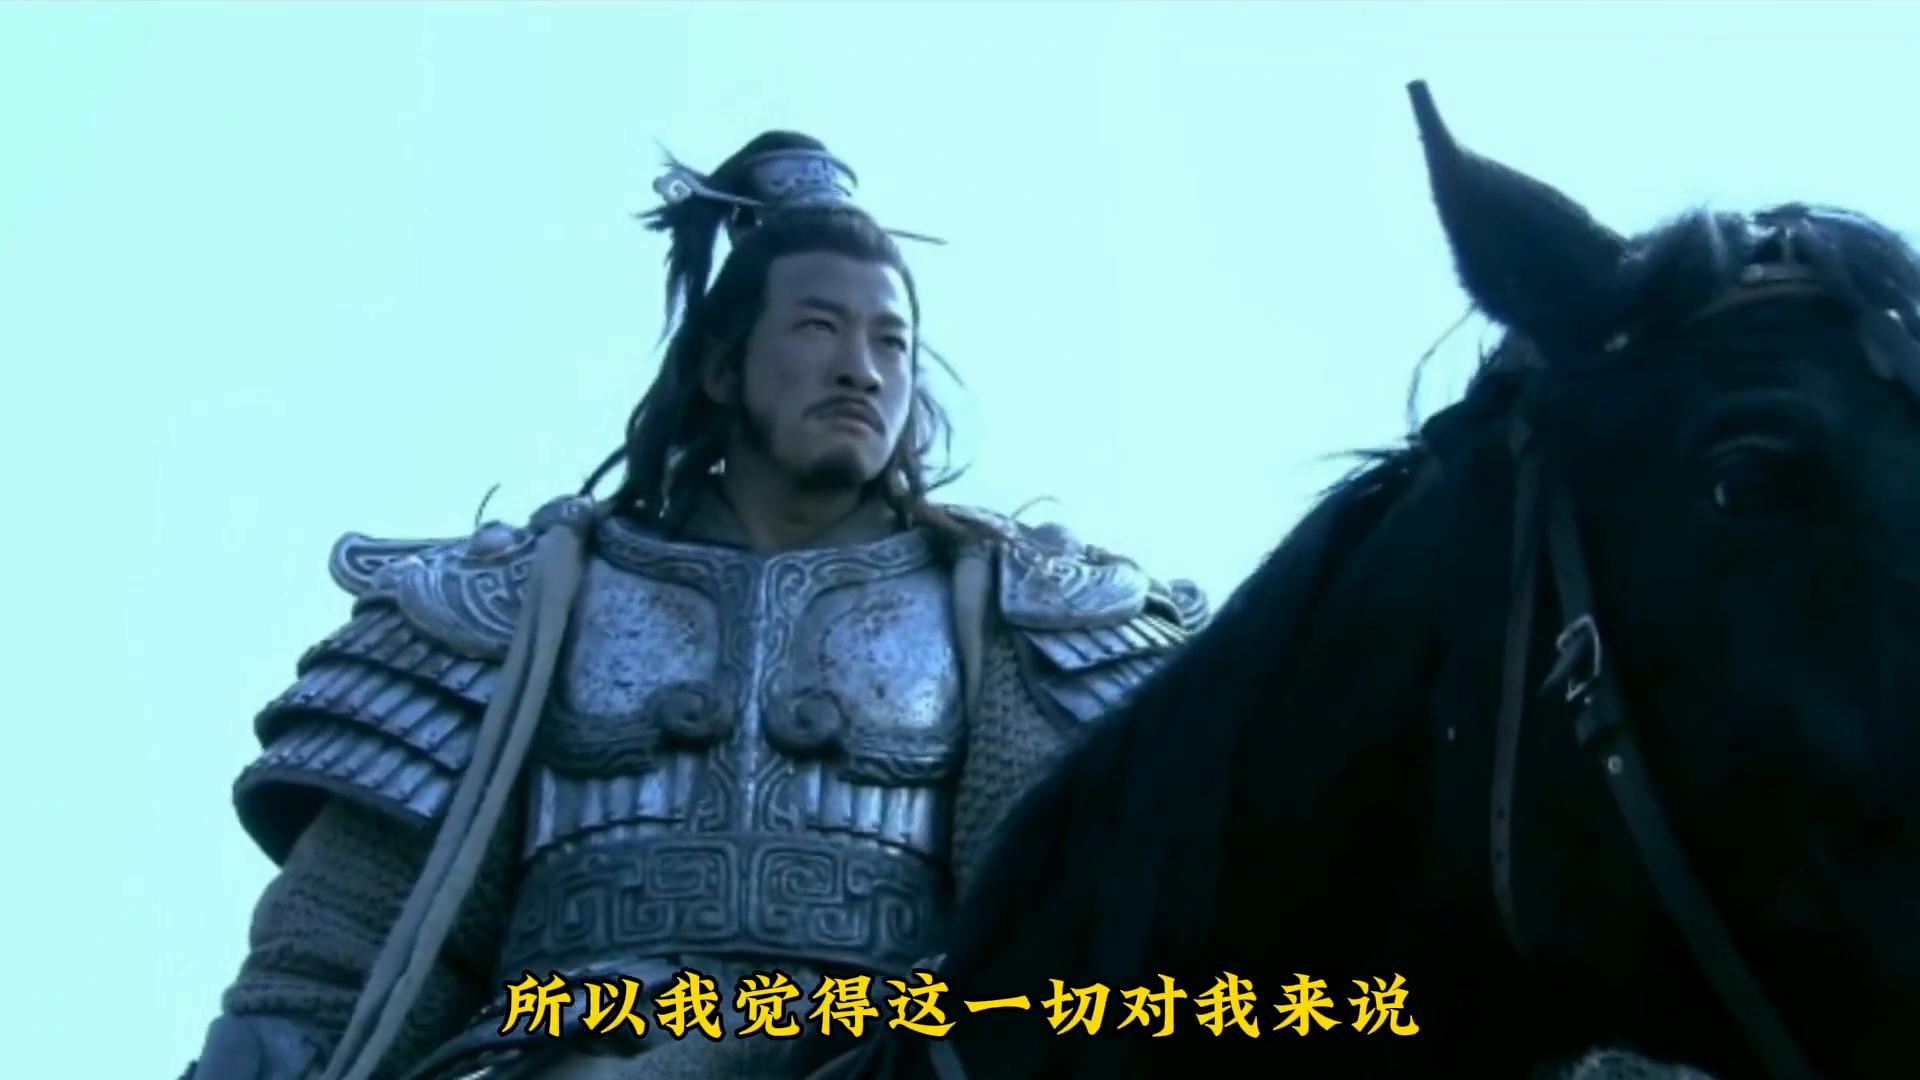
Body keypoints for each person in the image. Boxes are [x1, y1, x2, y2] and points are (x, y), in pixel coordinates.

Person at [181, 131, 1211, 1080]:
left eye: (890, 342)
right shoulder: (529, 600)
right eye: (819, 326)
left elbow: (1083, 901)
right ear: (722, 364)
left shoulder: (1013, 608)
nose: (860, 368)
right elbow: (347, 938)